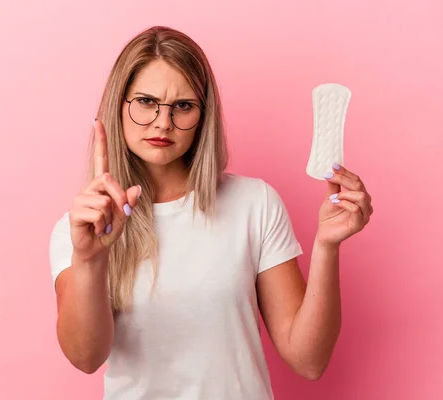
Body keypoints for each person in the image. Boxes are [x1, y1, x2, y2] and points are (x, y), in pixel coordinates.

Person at [49, 25, 373, 400]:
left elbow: (309, 360)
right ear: (118, 105)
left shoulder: (255, 204)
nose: (163, 122)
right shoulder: (79, 230)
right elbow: (86, 358)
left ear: (204, 116)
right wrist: (90, 259)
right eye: (146, 101)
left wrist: (327, 246)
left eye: (183, 106)